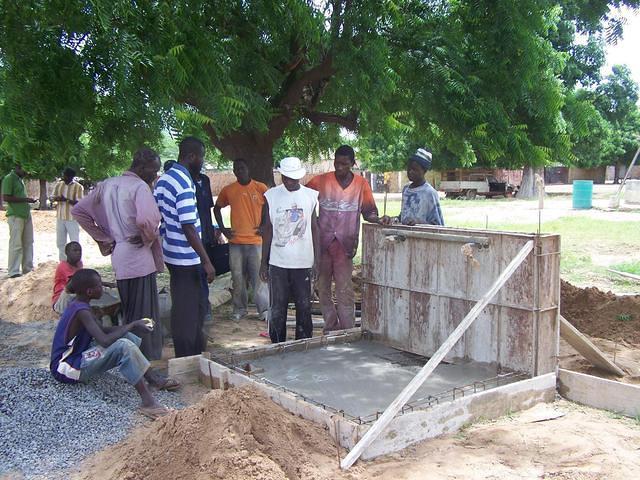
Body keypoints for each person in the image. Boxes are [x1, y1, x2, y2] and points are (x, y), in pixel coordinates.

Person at [72, 148, 177, 390]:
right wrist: (148, 237)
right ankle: (147, 370)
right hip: (138, 257)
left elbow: (79, 211)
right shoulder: (140, 187)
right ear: (141, 167)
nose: (156, 173)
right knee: (145, 318)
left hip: (119, 255)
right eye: (154, 168)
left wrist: (104, 237)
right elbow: (146, 221)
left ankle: (133, 365)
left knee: (130, 313)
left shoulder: (107, 184)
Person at [49, 269, 171, 419]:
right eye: (99, 285)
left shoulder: (80, 305)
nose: (103, 288)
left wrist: (133, 325)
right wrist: (132, 325)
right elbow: (104, 340)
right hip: (66, 367)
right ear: (89, 291)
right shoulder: (82, 311)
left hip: (76, 357)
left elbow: (102, 330)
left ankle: (153, 380)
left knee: (126, 336)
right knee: (124, 346)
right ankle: (148, 402)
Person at [306, 145, 388, 332]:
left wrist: (379, 219)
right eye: (337, 162)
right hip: (323, 244)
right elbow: (302, 198)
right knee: (323, 287)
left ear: (352, 163)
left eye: (345, 163)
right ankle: (330, 325)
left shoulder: (361, 184)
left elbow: (369, 212)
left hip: (345, 246)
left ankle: (347, 329)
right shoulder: (321, 181)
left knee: (344, 289)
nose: (340, 167)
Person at [154, 137, 216, 358]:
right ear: (192, 156)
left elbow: (159, 219)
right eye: (201, 157)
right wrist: (206, 261)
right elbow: (188, 226)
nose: (202, 162)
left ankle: (189, 352)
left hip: (172, 253)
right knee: (191, 311)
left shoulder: (164, 180)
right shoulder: (183, 182)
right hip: (187, 258)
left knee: (182, 306)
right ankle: (189, 356)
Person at [260, 157, 319, 343]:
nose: (289, 182)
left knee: (304, 306)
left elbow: (314, 228)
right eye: (285, 177)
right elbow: (267, 230)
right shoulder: (271, 196)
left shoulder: (311, 196)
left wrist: (316, 261)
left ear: (299, 177)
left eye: (293, 178)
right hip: (278, 262)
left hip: (303, 262)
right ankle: (277, 345)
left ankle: (303, 345)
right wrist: (263, 262)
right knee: (278, 307)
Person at [214, 159, 269, 321]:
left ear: (248, 169)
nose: (239, 171)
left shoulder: (260, 188)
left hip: (256, 241)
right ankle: (239, 309)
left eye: (242, 168)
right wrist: (223, 229)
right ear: (234, 171)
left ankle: (264, 310)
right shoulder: (228, 190)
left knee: (259, 278)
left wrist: (264, 225)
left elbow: (268, 206)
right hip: (236, 243)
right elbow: (217, 208)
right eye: (236, 169)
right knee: (237, 278)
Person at [2, 164, 36, 278]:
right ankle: (14, 271)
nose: (27, 172)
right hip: (15, 215)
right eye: (25, 169)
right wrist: (25, 199)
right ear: (18, 167)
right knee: (16, 244)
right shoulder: (9, 178)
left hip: (25, 214)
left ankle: (28, 268)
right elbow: (6, 197)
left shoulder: (20, 180)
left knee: (28, 242)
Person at [397, 148, 444, 226]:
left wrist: (418, 223)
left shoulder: (430, 193)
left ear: (424, 171)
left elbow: (437, 224)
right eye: (409, 168)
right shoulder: (406, 190)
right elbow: (403, 216)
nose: (410, 172)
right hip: (406, 236)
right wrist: (393, 219)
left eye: (415, 169)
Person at [194, 169, 215, 323]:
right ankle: (198, 309)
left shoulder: (205, 180)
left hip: (205, 233)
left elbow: (208, 209)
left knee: (203, 274)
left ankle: (204, 308)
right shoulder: (185, 182)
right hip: (192, 237)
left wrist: (211, 231)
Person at [51, 167, 84, 261]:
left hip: (72, 218)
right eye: (63, 175)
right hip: (60, 217)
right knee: (60, 242)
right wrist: (56, 199)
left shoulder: (78, 187)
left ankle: (76, 262)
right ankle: (63, 262)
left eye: (66, 176)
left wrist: (66, 200)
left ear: (71, 177)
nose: (64, 177)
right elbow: (53, 197)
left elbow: (79, 203)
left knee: (74, 241)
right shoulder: (59, 185)